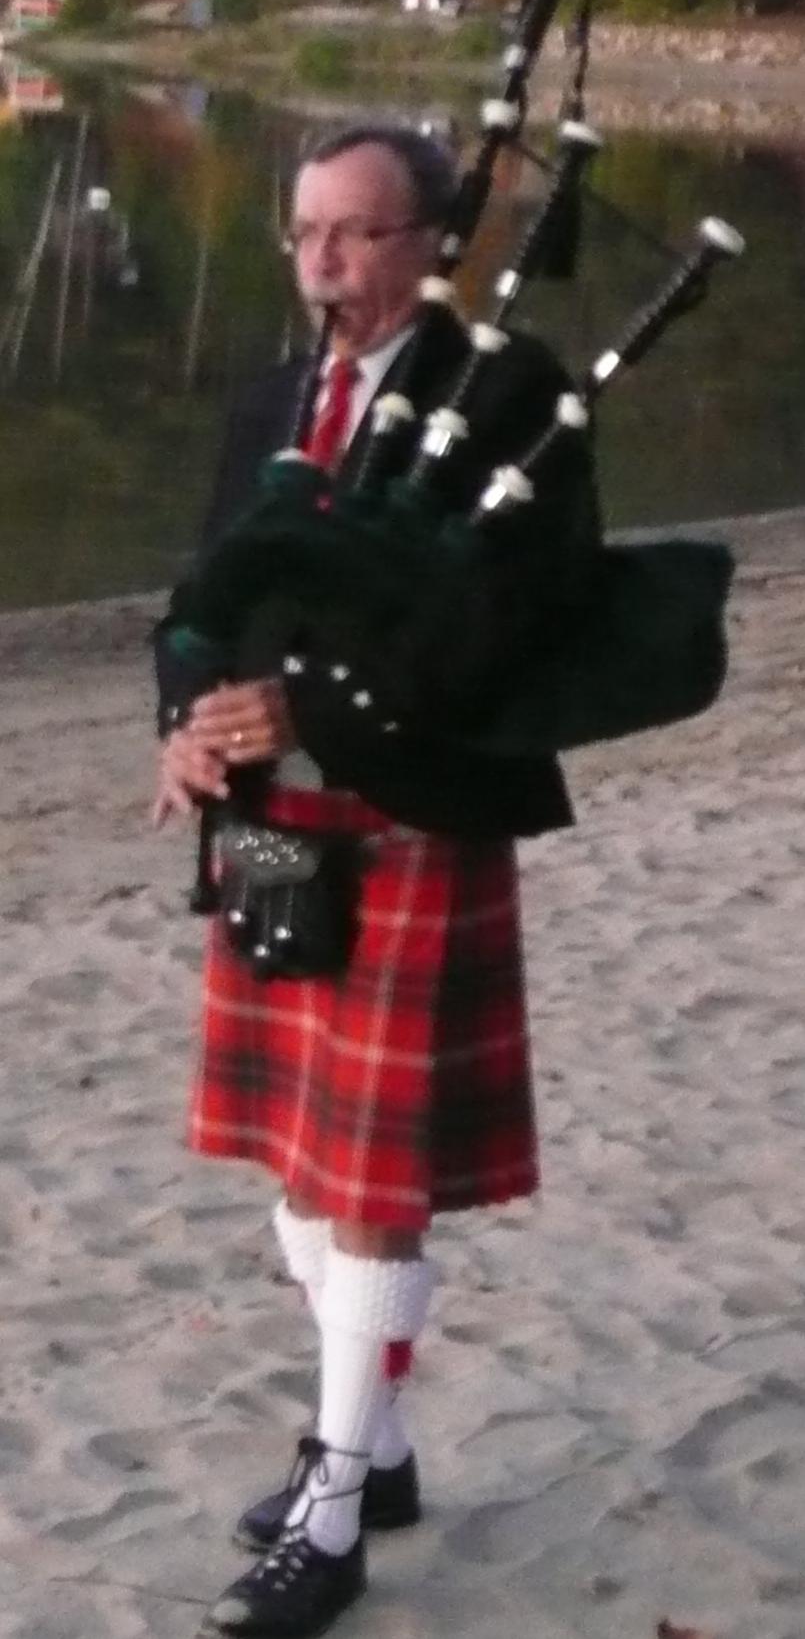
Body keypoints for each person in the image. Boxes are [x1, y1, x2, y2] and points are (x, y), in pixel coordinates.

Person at [153, 124, 600, 1639]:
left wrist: (307, 708)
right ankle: (381, 1448)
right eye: (303, 234)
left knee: (369, 1182)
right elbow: (203, 594)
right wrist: (186, 723)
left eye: (353, 233)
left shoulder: (511, 393)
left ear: (433, 242)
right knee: (298, 1153)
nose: (322, 264)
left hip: (410, 812)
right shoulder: (277, 396)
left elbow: (513, 623)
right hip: (272, 819)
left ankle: (336, 1504)